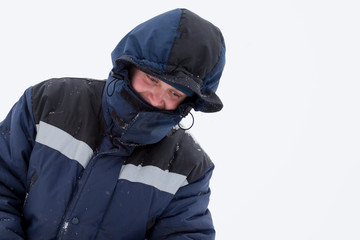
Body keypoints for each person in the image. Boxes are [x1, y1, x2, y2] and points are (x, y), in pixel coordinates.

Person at [0, 8, 225, 240]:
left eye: (174, 93)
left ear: (189, 102)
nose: (157, 99)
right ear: (128, 65)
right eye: (152, 79)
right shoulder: (48, 102)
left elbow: (185, 234)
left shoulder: (187, 167)